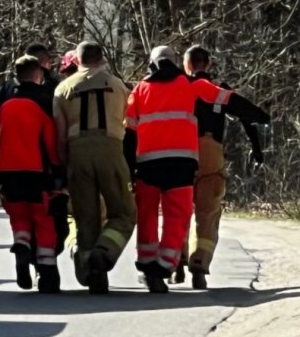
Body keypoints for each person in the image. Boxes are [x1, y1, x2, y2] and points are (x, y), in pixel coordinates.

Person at [124, 46, 269, 293]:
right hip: (184, 161)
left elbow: (129, 134)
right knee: (182, 215)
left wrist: (129, 170)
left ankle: (150, 266)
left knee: (147, 214)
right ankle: (170, 264)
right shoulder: (190, 86)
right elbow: (230, 101)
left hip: (147, 163)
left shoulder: (139, 91)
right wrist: (261, 117)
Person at [182, 45, 270, 289]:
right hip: (212, 152)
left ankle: (175, 259)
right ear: (208, 64)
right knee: (207, 212)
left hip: (181, 152)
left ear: (186, 65)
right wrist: (257, 147)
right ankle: (199, 262)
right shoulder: (220, 91)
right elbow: (247, 116)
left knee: (178, 208)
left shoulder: (178, 89)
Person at [0, 55, 61, 293]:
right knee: (43, 220)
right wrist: (59, 170)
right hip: (36, 172)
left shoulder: (6, 103)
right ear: (38, 74)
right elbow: (51, 143)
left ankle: (21, 245)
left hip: (7, 172)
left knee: (19, 216)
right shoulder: (43, 102)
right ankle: (47, 271)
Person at [53, 41, 136, 294]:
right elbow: (128, 121)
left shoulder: (63, 89)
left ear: (77, 61)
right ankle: (105, 252)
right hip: (111, 150)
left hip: (78, 153)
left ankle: (91, 271)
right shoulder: (117, 85)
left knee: (85, 217)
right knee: (123, 213)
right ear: (102, 59)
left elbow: (59, 135)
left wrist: (63, 168)